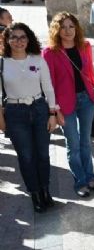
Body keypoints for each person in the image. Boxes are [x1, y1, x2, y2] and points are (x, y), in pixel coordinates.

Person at [1, 22, 58, 212]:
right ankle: (34, 194)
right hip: (15, 113)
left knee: (42, 154)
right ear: (7, 40)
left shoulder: (37, 59)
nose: (18, 41)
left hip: (39, 109)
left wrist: (52, 114)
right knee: (26, 157)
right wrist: (2, 122)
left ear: (28, 39)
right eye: (14, 37)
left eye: (22, 37)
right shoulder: (2, 62)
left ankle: (45, 191)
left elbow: (48, 88)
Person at [43, 12, 94, 197]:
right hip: (64, 104)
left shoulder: (85, 46)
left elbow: (89, 72)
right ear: (56, 31)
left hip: (86, 100)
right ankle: (80, 182)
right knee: (73, 144)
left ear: (77, 28)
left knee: (86, 143)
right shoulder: (50, 53)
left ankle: (90, 176)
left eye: (71, 26)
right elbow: (47, 83)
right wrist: (54, 110)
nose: (68, 31)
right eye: (63, 27)